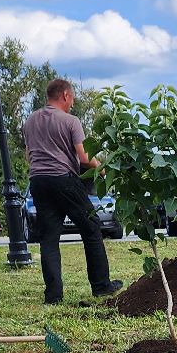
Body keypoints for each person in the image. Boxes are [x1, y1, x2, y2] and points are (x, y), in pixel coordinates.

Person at [24, 78, 117, 305]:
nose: (72, 103)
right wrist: (103, 171)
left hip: (38, 181)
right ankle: (101, 285)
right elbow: (84, 158)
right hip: (63, 179)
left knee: (49, 238)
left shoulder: (30, 120)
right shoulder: (70, 121)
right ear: (65, 95)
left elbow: (29, 156)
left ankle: (53, 296)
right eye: (72, 98)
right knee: (91, 227)